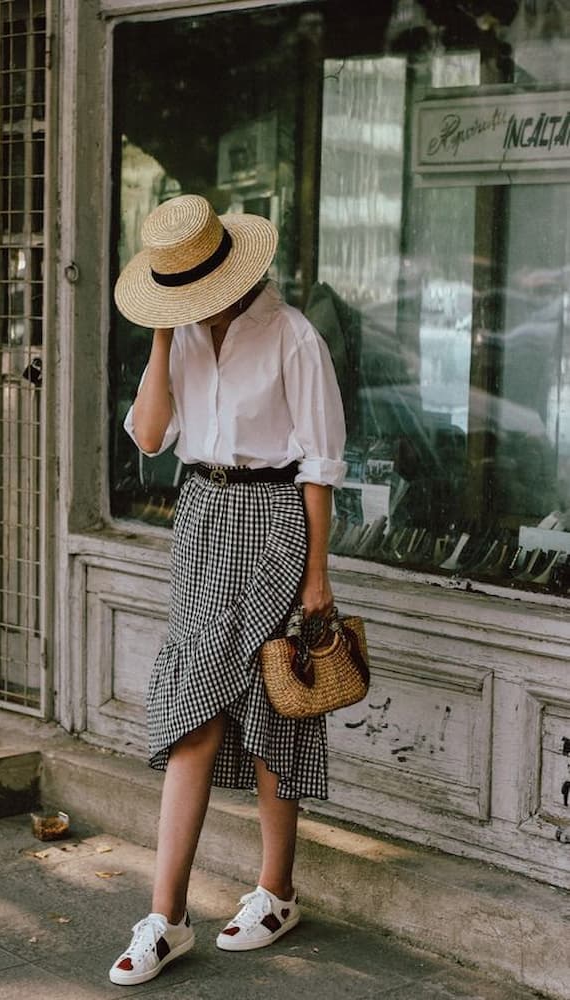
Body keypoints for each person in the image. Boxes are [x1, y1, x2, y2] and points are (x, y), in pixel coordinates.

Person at [109, 194, 346, 986]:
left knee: (275, 699)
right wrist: (160, 332)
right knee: (193, 715)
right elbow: (148, 436)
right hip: (203, 517)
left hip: (275, 518)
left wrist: (316, 576)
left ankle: (275, 891)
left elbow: (318, 466)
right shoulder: (178, 333)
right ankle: (166, 916)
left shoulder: (293, 337)